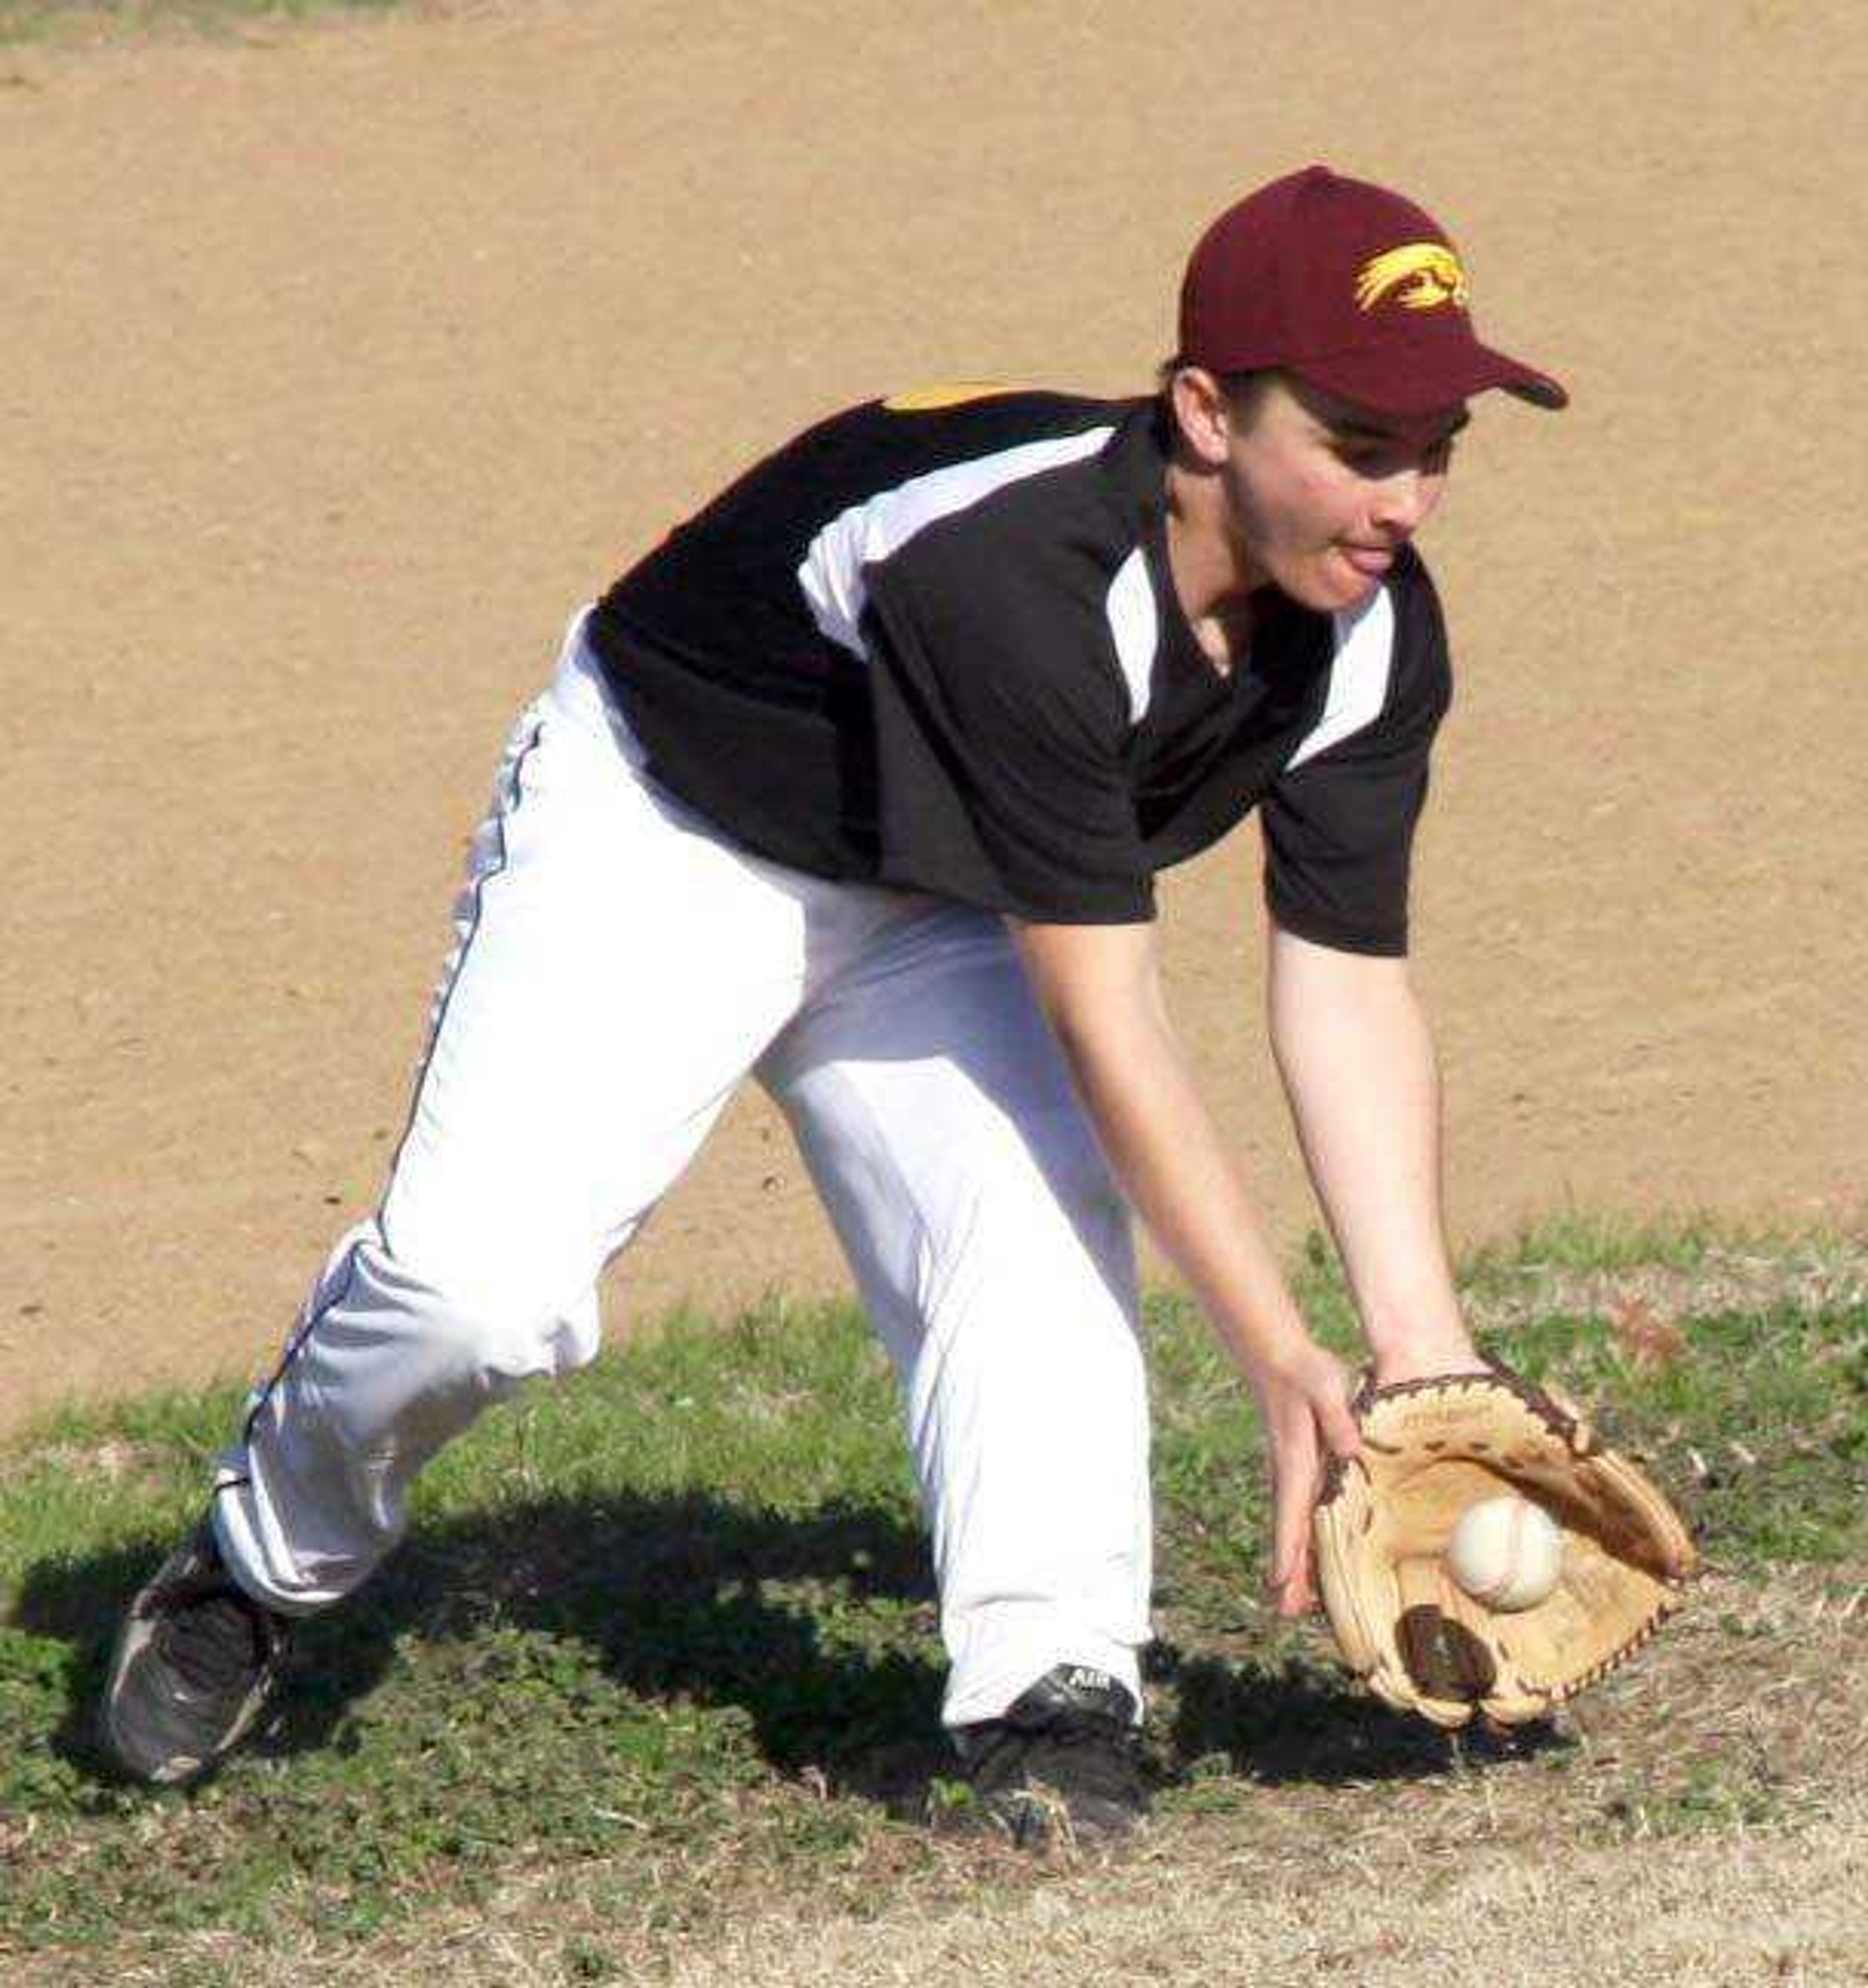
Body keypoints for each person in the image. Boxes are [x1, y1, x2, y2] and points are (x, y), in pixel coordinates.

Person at [100, 163, 1565, 1842]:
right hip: (675, 831)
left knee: (1021, 1232)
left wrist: (1421, 1354)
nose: (1409, 499)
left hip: (937, 893)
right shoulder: (1023, 574)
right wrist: (1283, 1359)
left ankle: (1050, 1700)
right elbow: (1107, 1015)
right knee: (476, 1298)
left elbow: (1346, 979)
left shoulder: (1371, 635)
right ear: (1207, 415)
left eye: (1440, 447)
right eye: (1361, 444)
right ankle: (258, 1564)